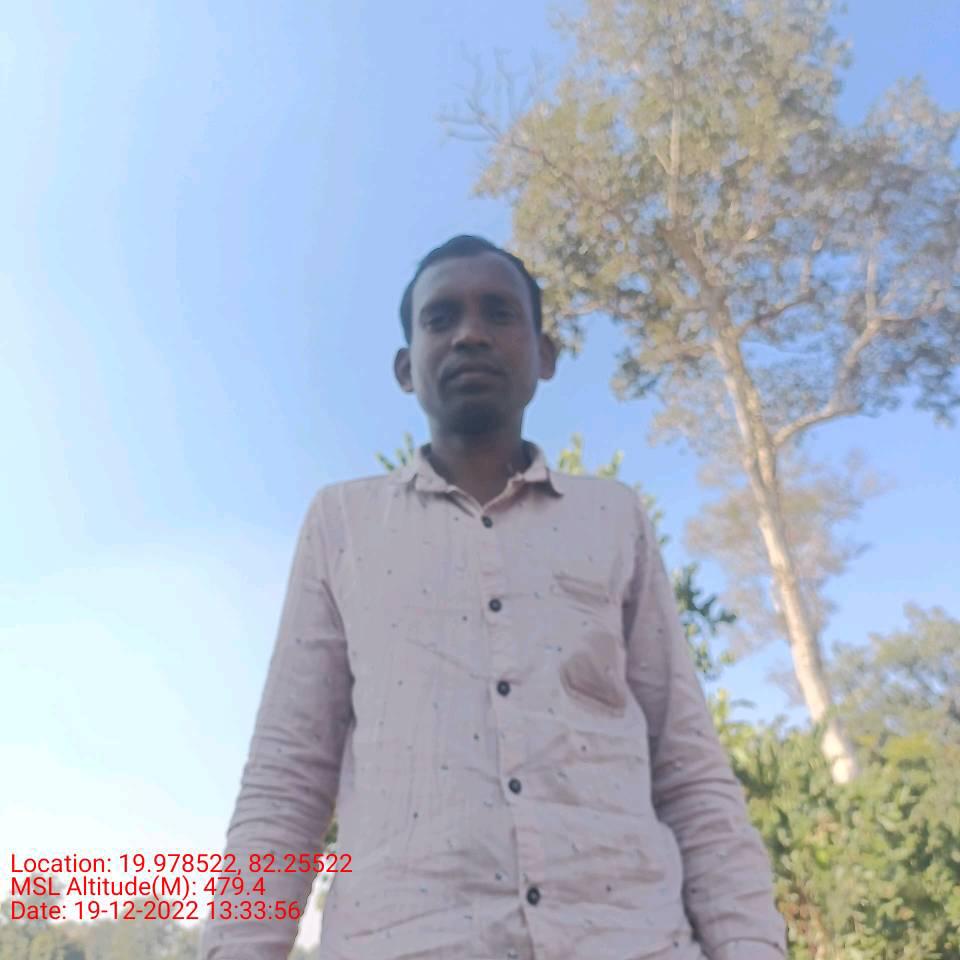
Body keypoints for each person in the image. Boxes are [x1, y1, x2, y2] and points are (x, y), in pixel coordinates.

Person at [199, 235, 787, 960]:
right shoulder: (341, 524)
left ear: (545, 356)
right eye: (440, 317)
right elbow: (287, 776)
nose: (470, 333)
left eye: (499, 313)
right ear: (406, 368)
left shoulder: (613, 518)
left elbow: (687, 765)